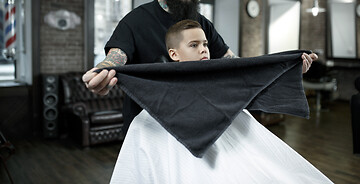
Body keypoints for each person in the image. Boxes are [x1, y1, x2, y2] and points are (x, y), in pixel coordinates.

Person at [82, 0, 318, 136]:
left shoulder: (203, 24)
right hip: (149, 130)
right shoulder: (135, 21)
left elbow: (235, 66)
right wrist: (100, 72)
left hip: (195, 125)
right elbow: (116, 57)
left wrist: (285, 68)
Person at [108, 19, 332, 184]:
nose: (204, 49)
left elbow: (252, 76)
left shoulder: (222, 76)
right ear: (174, 54)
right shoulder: (157, 79)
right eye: (194, 45)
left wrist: (292, 68)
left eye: (204, 44)